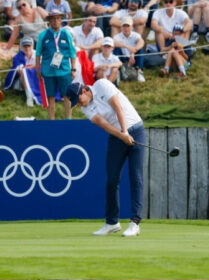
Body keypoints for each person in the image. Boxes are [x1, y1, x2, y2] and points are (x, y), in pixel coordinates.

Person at [66, 79, 145, 237]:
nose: (80, 105)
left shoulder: (102, 84)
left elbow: (118, 108)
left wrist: (126, 132)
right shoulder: (86, 109)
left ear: (84, 91)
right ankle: (112, 222)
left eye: (79, 101)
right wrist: (122, 135)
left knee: (136, 177)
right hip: (117, 137)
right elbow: (104, 124)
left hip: (136, 130)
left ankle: (135, 223)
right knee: (112, 180)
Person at [35, 9, 76, 120]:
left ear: (61, 20)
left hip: (64, 70)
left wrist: (74, 69)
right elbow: (38, 53)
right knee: (50, 96)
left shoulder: (66, 34)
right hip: (48, 71)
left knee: (67, 95)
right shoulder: (42, 35)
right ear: (49, 21)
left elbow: (72, 52)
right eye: (53, 19)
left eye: (58, 18)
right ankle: (51, 120)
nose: (56, 21)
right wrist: (38, 70)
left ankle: (68, 119)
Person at [4, 36, 38, 107]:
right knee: (24, 72)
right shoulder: (18, 56)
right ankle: (29, 96)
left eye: (29, 46)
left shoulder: (38, 55)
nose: (27, 48)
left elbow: (43, 65)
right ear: (22, 47)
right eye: (25, 46)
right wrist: (35, 66)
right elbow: (20, 70)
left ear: (33, 46)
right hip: (22, 81)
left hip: (36, 79)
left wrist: (32, 67)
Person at [113, 17, 145, 82]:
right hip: (123, 58)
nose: (126, 28)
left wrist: (133, 52)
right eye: (124, 26)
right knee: (115, 49)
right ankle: (118, 71)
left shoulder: (135, 35)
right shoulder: (117, 36)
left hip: (133, 57)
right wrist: (128, 47)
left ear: (131, 27)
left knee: (140, 50)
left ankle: (139, 71)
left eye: (128, 26)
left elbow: (141, 42)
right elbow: (114, 43)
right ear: (121, 27)